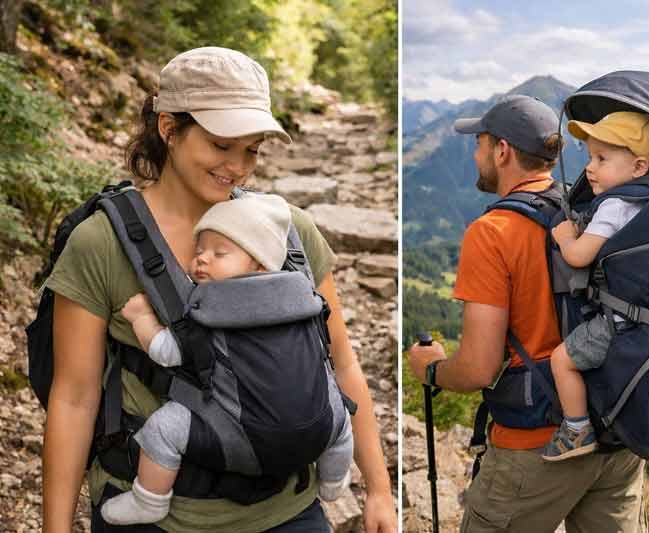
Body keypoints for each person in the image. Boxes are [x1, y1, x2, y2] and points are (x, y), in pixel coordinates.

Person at [43, 47, 396, 532]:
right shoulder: (102, 243)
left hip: (286, 510)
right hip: (159, 517)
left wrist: (378, 489)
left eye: (251, 149)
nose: (238, 166)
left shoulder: (287, 231)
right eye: (220, 144)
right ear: (169, 129)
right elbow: (75, 397)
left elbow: (341, 364)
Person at [407, 95, 647, 532]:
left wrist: (431, 369)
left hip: (537, 448)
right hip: (618, 434)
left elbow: (479, 369)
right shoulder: (594, 209)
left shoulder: (493, 232)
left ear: (502, 150)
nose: (476, 155)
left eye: (479, 144)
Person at [99, 194, 354, 525]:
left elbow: (167, 352)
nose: (202, 260)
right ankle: (334, 482)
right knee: (340, 418)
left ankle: (150, 499)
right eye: (199, 250)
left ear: (260, 264)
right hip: (313, 428)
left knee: (162, 430)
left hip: (237, 436)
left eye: (219, 253)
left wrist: (141, 319)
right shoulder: (303, 300)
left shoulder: (213, 309)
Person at [544, 111, 649, 462]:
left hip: (619, 323)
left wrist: (566, 237)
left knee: (562, 360)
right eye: (589, 158)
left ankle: (576, 429)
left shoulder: (615, 205)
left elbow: (580, 257)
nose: (589, 168)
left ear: (639, 167)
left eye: (602, 159)